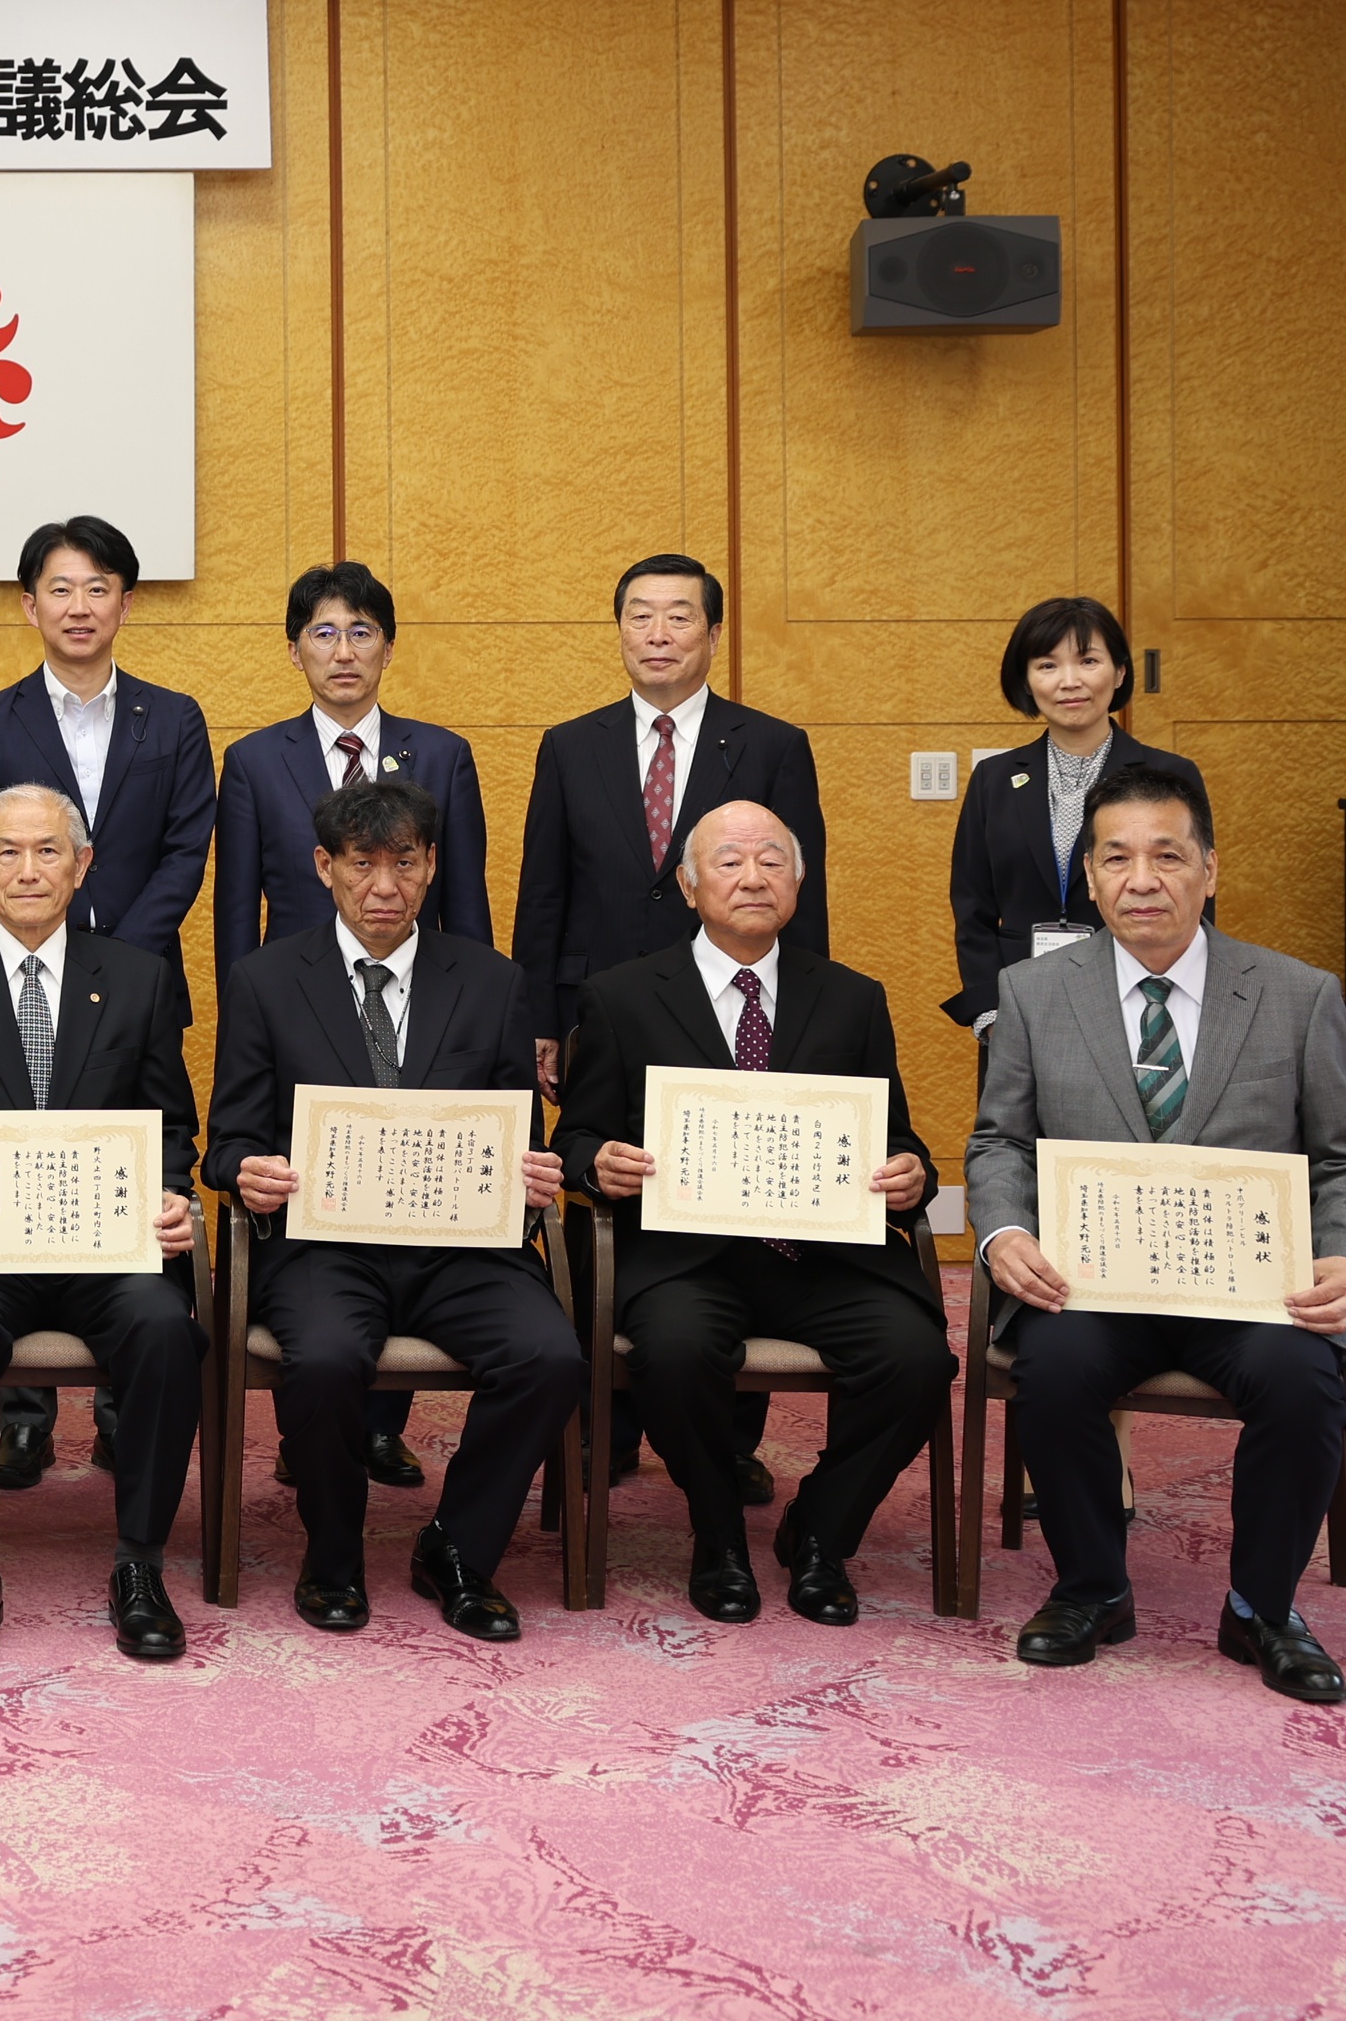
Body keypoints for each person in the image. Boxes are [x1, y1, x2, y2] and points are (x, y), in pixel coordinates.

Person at [969, 760, 1346, 1706]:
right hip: (1096, 1282)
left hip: (1248, 1287)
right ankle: (1092, 1587)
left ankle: (1262, 1608)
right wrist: (1001, 1232)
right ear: (1088, 875)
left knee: (1301, 1380)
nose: (1141, 879)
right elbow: (1000, 1141)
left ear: (1209, 869)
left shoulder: (1297, 995)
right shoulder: (1037, 993)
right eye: (1114, 857)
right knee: (1056, 1369)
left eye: (1168, 855)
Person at [557, 801, 950, 1627]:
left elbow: (899, 1135)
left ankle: (821, 1532)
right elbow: (578, 1135)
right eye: (730, 861)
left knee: (917, 1359)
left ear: (798, 884)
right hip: (687, 1256)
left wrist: (915, 1171)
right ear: (691, 887)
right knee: (674, 1349)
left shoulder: (851, 998)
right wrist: (599, 1162)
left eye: (773, 860)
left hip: (824, 1255)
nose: (753, 876)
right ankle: (719, 1537)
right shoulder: (622, 996)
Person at [206, 778, 574, 1640]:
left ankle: (456, 1549)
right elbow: (227, 1138)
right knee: (329, 1359)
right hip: (324, 1248)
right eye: (363, 864)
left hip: (463, 1249)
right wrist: (245, 1170)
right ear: (323, 867)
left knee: (549, 1355)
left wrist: (530, 1172)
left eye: (405, 863)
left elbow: (518, 1122)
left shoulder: (491, 982)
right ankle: (332, 1553)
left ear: (433, 865)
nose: (385, 888)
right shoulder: (266, 979)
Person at [512, 552, 825, 1493]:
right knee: (600, 1191)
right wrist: (541, 1019)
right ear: (619, 632)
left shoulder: (770, 743)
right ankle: (603, 1424)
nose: (657, 634)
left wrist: (800, 1020)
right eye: (640, 617)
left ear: (714, 636)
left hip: (731, 1008)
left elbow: (798, 894)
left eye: (678, 618)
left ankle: (726, 1434)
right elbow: (544, 891)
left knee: (732, 1197)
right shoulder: (572, 744)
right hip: (603, 1012)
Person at [0, 785, 203, 1664]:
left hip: (107, 1245)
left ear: (83, 864)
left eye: (49, 851)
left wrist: (175, 1194)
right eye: (8, 853)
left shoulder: (136, 976)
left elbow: (172, 1124)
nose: (28, 870)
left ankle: (140, 1563)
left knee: (166, 1329)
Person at [208, 558, 493, 1497]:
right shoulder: (254, 759)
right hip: (301, 1024)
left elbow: (466, 908)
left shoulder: (441, 753)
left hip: (422, 1013)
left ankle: (377, 1424)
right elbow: (236, 912)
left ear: (388, 647)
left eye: (361, 632)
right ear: (295, 649)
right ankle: (317, 1424)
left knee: (412, 1202)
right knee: (325, 1226)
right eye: (324, 633)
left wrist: (486, 1023)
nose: (343, 650)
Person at [0, 514, 211, 1489]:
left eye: (99, 587)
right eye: (61, 587)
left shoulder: (171, 716)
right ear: (30, 605)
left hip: (134, 991)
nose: (80, 605)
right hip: (15, 983)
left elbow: (187, 846)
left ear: (125, 602)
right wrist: (45, 945)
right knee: (19, 1177)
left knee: (125, 1172)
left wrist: (109, 964)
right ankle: (20, 1413)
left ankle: (118, 1404)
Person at [946, 595, 1206, 1029]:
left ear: (1119, 671)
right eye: (1047, 666)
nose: (1069, 681)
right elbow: (971, 907)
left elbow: (1194, 898)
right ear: (1026, 681)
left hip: (1137, 998)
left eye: (1087, 661)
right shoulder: (994, 778)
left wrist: (1170, 1001)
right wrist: (992, 1013)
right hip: (1020, 1006)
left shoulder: (1170, 774)